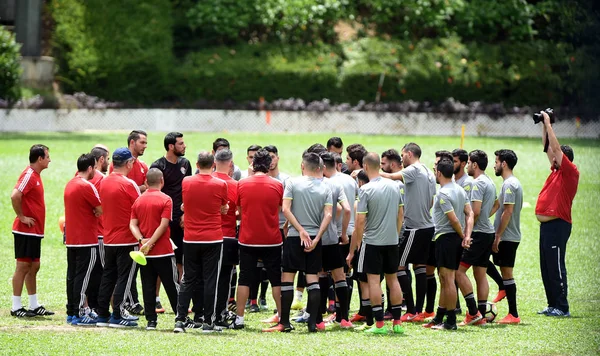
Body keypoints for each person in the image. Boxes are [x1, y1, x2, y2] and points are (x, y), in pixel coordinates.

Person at [263, 152, 333, 332]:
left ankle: (284, 323)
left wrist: (300, 230)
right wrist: (316, 237)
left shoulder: (292, 182)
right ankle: (313, 323)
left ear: (303, 166)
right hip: (314, 239)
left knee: (287, 278)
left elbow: (285, 209)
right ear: (319, 168)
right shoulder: (326, 187)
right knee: (312, 279)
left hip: (295, 237)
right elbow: (329, 215)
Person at [347, 152, 406, 335]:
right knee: (392, 279)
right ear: (379, 166)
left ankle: (379, 324)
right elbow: (400, 214)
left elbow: (360, 221)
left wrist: (357, 242)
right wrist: (395, 235)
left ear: (364, 167)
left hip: (372, 242)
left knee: (374, 281)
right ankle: (397, 322)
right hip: (391, 241)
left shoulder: (365, 190)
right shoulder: (395, 186)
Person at [381, 143, 436, 323]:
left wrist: (371, 171)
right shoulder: (429, 171)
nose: (401, 158)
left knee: (399, 265)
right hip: (427, 226)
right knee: (420, 267)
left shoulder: (414, 169)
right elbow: (431, 201)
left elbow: (390, 176)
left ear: (410, 154)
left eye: (403, 155)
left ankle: (411, 310)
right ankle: (419, 311)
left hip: (414, 228)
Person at [230, 149, 284, 330]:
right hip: (272, 239)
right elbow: (279, 209)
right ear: (269, 164)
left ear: (253, 164)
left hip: (247, 239)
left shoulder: (242, 184)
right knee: (276, 278)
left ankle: (239, 318)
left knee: (244, 278)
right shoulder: (277, 185)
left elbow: (239, 209)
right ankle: (281, 316)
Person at [174, 151, 228, 333]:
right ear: (213, 164)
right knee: (210, 279)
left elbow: (186, 203)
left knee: (187, 279)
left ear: (196, 164)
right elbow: (224, 207)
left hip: (190, 238)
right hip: (213, 238)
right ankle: (208, 322)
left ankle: (180, 320)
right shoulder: (220, 184)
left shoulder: (186, 181)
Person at [536, 111, 579, 317]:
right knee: (547, 267)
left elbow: (553, 147)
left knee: (557, 267)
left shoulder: (570, 172)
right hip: (547, 226)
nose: (551, 157)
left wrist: (550, 125)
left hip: (558, 225)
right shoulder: (555, 171)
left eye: (556, 156)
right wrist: (544, 125)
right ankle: (552, 304)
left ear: (565, 159)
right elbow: (547, 146)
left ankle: (562, 307)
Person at [424, 158, 473, 330]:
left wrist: (463, 236)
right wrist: (466, 235)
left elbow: (453, 219)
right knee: (444, 279)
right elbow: (470, 213)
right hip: (452, 239)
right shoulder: (459, 190)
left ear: (438, 173)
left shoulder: (443, 194)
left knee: (448, 279)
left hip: (447, 238)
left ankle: (451, 321)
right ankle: (439, 316)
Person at [96, 148, 141, 328]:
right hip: (127, 239)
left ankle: (102, 314)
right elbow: (141, 208)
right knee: (124, 277)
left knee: (108, 276)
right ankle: (118, 314)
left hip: (109, 238)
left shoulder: (104, 182)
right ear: (128, 163)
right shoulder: (129, 184)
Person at [130, 168, 180, 330]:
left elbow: (132, 224)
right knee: (172, 285)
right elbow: (164, 224)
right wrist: (151, 242)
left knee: (148, 286)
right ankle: (180, 317)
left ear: (146, 182)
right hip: (163, 251)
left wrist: (141, 241)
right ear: (162, 181)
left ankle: (151, 321)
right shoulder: (166, 199)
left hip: (144, 254)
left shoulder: (138, 200)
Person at [10, 144, 55, 318]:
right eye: (48, 156)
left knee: (34, 266)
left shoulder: (36, 176)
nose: (49, 160)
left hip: (34, 231)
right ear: (40, 159)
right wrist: (21, 217)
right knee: (23, 266)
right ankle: (15, 307)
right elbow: (15, 195)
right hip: (25, 230)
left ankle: (33, 304)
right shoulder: (29, 175)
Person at [149, 132, 191, 312]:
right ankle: (156, 299)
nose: (185, 146)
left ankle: (182, 299)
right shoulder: (158, 166)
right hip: (164, 222)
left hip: (181, 221)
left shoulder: (185, 164)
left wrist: (185, 213)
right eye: (181, 144)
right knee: (161, 260)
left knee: (181, 261)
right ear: (171, 146)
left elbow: (188, 190)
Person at [455, 150, 497, 326]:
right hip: (488, 232)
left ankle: (473, 313)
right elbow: (497, 203)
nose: (468, 166)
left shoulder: (477, 183)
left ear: (474, 165)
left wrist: (468, 233)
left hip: (478, 234)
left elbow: (476, 211)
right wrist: (487, 217)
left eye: (470, 163)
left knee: (458, 271)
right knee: (480, 274)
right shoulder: (489, 181)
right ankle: (481, 314)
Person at [109, 130, 148, 315]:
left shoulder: (143, 167)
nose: (145, 145)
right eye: (142, 142)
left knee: (130, 269)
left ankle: (131, 302)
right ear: (132, 143)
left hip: (134, 225)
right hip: (122, 228)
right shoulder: (116, 169)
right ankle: (123, 306)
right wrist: (139, 189)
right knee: (123, 270)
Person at [64, 154, 103, 326]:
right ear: (89, 168)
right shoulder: (87, 186)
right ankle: (80, 313)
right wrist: (95, 211)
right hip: (87, 239)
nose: (95, 171)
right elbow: (100, 209)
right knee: (84, 277)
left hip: (72, 239)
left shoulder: (69, 184)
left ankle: (72, 312)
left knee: (72, 276)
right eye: (94, 168)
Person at [319, 152, 352, 328]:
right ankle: (344, 318)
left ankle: (317, 318)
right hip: (332, 236)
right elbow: (345, 209)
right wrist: (343, 231)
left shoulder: (317, 185)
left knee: (319, 275)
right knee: (340, 276)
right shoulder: (343, 182)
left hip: (316, 237)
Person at [490, 149, 523, 324]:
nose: (494, 165)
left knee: (507, 273)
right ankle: (502, 286)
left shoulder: (510, 184)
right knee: (478, 256)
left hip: (507, 237)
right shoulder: (508, 183)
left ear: (503, 164)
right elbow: (498, 206)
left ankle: (514, 315)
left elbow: (508, 211)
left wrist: (497, 236)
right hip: (506, 236)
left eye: (496, 161)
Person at [212, 149, 240, 326]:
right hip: (228, 236)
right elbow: (240, 214)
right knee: (224, 279)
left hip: (207, 236)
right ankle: (220, 313)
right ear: (231, 164)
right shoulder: (236, 185)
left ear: (214, 163)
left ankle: (204, 312)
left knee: (206, 277)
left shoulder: (207, 181)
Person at [90, 145, 110, 267]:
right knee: (105, 271)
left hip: (87, 235)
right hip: (102, 232)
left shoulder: (80, 175)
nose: (109, 162)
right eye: (108, 159)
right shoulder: (103, 179)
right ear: (101, 159)